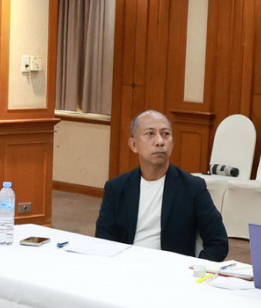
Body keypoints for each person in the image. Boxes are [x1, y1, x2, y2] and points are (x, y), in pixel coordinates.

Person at [95, 109, 229, 260]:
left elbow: (218, 243)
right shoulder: (116, 187)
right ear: (133, 144)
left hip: (171, 269)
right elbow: (103, 241)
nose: (159, 141)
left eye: (165, 134)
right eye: (150, 134)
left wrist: (193, 269)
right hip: (126, 265)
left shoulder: (192, 187)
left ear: (172, 142)